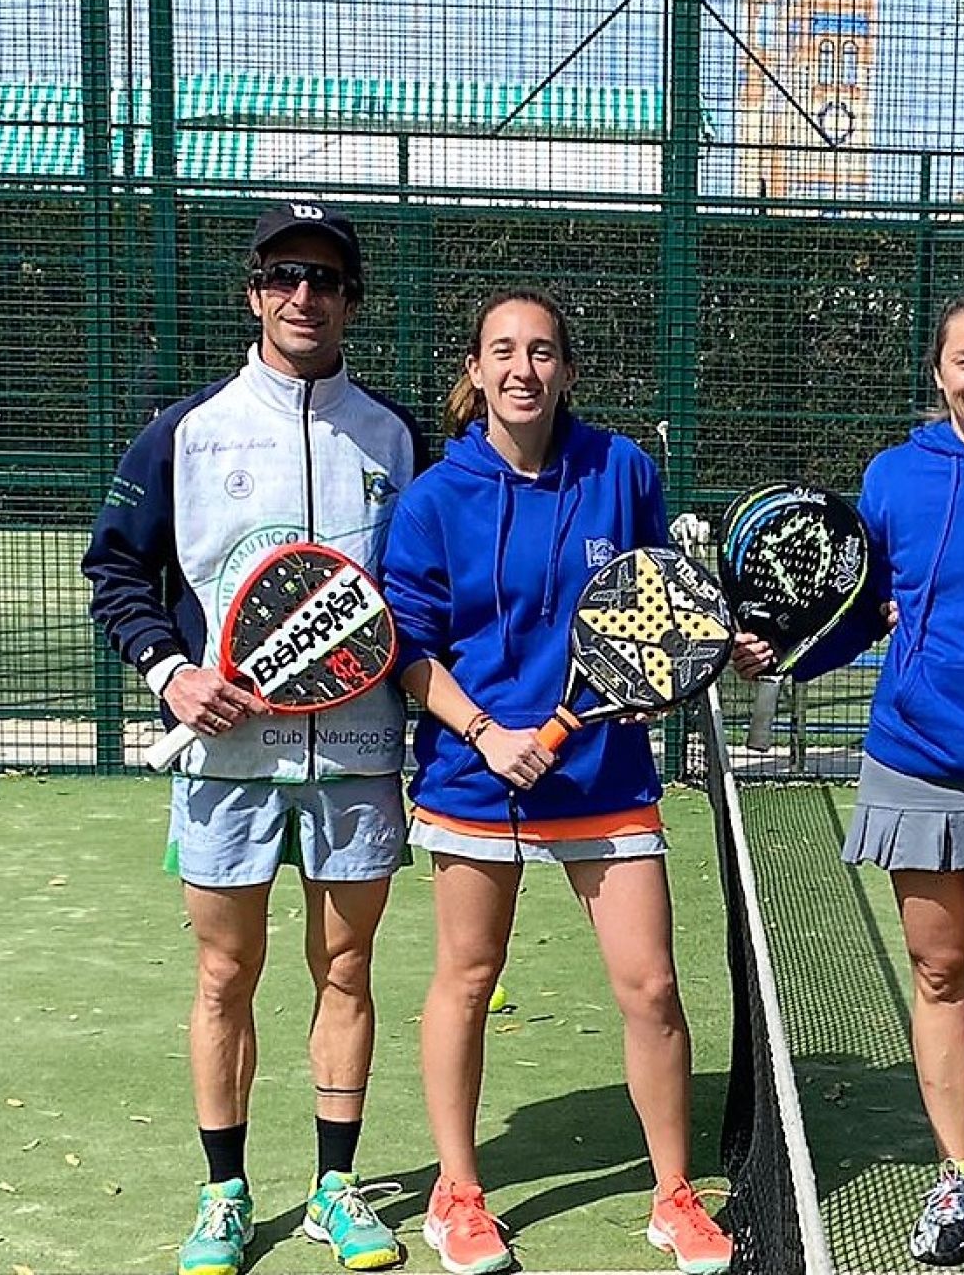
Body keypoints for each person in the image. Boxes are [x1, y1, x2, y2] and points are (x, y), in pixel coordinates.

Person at [83, 201, 425, 1275]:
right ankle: (225, 1192)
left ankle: (334, 1188)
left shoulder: (396, 435)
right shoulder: (187, 430)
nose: (303, 295)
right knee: (225, 972)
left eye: (324, 279)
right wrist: (171, 672)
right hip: (223, 761)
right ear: (254, 294)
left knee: (347, 966)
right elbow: (116, 570)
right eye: (284, 276)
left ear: (351, 301)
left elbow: (425, 590)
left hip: (358, 753)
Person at [733, 290, 964, 1272]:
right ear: (938, 371)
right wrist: (784, 652)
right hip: (913, 762)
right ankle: (956, 1175)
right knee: (939, 977)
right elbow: (856, 610)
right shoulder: (893, 477)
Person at [379, 288, 733, 1275]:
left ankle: (674, 1194)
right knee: (467, 977)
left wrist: (649, 687)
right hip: (474, 776)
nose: (522, 368)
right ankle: (459, 1192)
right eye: (503, 350)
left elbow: (656, 603)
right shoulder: (434, 499)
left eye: (541, 350)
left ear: (568, 369)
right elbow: (408, 649)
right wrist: (487, 734)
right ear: (476, 370)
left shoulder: (622, 470)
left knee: (652, 985)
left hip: (603, 775)